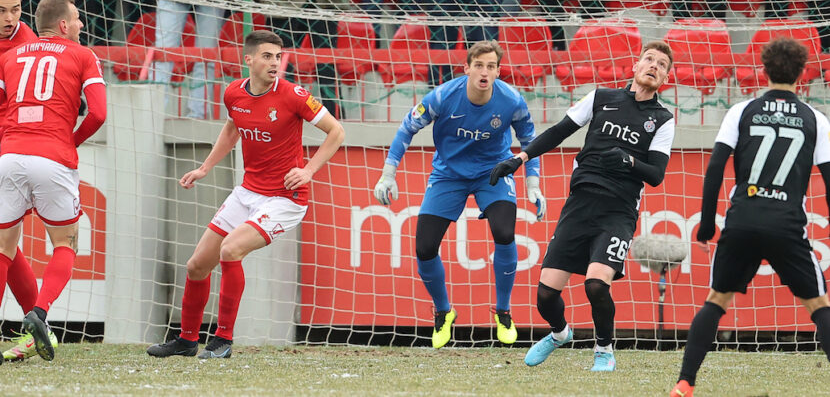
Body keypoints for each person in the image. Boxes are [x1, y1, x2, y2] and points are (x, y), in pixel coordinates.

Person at [146, 30, 345, 359]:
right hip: (247, 192)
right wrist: (204, 168)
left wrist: (308, 170)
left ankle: (222, 340)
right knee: (196, 265)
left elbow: (337, 131)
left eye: (278, 58)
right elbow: (232, 129)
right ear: (248, 59)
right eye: (267, 56)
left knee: (231, 249)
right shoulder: (233, 93)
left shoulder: (295, 95)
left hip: (285, 199)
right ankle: (186, 340)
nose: (274, 63)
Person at [491, 41, 675, 371]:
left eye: (662, 65)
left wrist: (628, 160)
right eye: (649, 59)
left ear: (665, 77)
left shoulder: (662, 119)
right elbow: (559, 131)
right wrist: (519, 158)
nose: (654, 66)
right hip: (580, 204)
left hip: (618, 212)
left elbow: (657, 175)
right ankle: (560, 334)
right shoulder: (601, 98)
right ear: (634, 66)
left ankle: (603, 350)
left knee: (596, 283)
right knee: (546, 295)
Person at [670, 37, 830, 397]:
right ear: (803, 74)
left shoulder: (741, 110)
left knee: (717, 299)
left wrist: (708, 223)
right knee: (818, 305)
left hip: (742, 218)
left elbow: (714, 169)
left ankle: (685, 383)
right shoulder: (816, 119)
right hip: (787, 222)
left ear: (763, 69)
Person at [373, 40, 545, 348]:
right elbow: (406, 129)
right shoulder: (442, 97)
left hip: (492, 172)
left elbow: (530, 139)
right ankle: (443, 311)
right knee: (424, 248)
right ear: (466, 68)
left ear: (498, 71)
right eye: (478, 65)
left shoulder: (512, 100)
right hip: (448, 173)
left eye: (491, 66)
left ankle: (503, 311)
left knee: (505, 232)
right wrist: (388, 173)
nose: (484, 72)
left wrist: (533, 183)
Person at [0, 0, 107, 362]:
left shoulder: (10, 57)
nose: (80, 25)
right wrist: (69, 141)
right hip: (53, 157)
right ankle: (40, 313)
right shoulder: (83, 55)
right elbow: (98, 114)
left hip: (9, 155)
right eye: (77, 19)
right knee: (65, 243)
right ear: (64, 25)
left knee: (3, 247)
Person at [0, 0, 56, 362]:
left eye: (16, 9)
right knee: (6, 243)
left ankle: (39, 324)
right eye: (1, 10)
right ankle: (40, 328)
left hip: (13, 148)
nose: (9, 18)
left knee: (4, 241)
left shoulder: (28, 43)